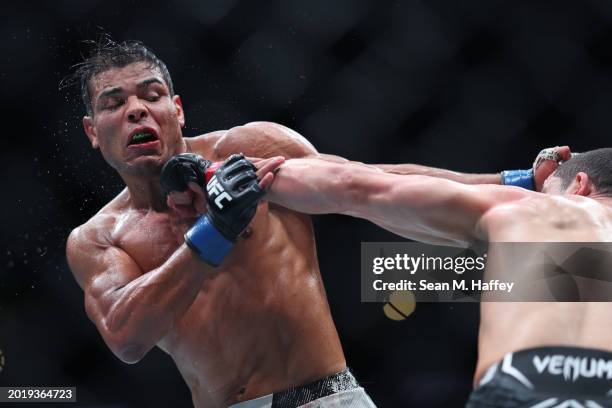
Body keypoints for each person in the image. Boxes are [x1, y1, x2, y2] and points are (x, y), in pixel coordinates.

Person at [64, 39, 378, 408]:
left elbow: (365, 188)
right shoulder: (99, 238)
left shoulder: (252, 148)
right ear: (92, 132)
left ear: (177, 110)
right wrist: (216, 229)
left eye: (152, 95)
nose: (136, 110)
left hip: (320, 397)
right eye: (114, 103)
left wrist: (457, 198)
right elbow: (126, 338)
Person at [257, 148, 612, 407]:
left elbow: (355, 184)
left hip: (520, 382)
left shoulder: (525, 208)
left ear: (579, 184)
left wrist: (220, 175)